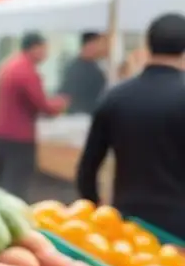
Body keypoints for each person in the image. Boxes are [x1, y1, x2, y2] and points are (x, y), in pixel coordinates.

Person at [76, 14, 185, 236]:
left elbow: (87, 169)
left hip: (127, 229)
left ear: (147, 45)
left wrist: (96, 207)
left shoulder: (115, 97)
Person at [0, 32, 67, 199]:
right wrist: (60, 104)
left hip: (1, 132)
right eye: (44, 49)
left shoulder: (8, 65)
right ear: (34, 48)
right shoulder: (26, 72)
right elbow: (43, 105)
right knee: (16, 184)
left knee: (1, 180)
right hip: (19, 135)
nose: (46, 54)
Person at [59, 33, 108, 115]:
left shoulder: (97, 67)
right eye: (100, 44)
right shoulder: (73, 68)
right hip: (78, 118)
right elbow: (65, 97)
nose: (102, 48)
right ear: (90, 44)